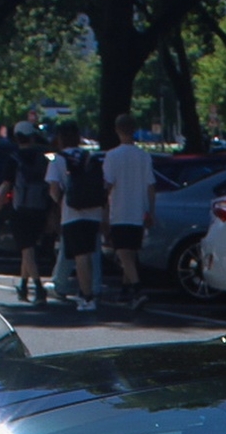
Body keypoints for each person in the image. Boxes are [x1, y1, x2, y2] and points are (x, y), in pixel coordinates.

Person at [0, 119, 54, 302]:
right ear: (32, 137)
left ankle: (38, 288)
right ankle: (23, 286)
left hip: (20, 210)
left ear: (17, 138)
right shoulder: (43, 159)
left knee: (27, 249)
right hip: (39, 208)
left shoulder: (14, 159)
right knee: (28, 248)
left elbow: (5, 187)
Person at [46, 122, 104, 312]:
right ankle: (92, 288)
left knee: (80, 256)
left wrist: (61, 201)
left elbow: (54, 189)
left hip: (72, 213)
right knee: (91, 252)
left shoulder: (58, 160)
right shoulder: (89, 156)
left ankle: (87, 297)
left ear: (60, 138)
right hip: (94, 211)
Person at [102, 113, 156, 308]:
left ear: (117, 130)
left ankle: (137, 288)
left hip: (120, 210)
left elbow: (108, 183)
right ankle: (125, 290)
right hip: (138, 210)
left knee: (123, 253)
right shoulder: (143, 156)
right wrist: (151, 211)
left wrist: (104, 209)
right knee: (130, 253)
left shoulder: (112, 156)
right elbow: (151, 186)